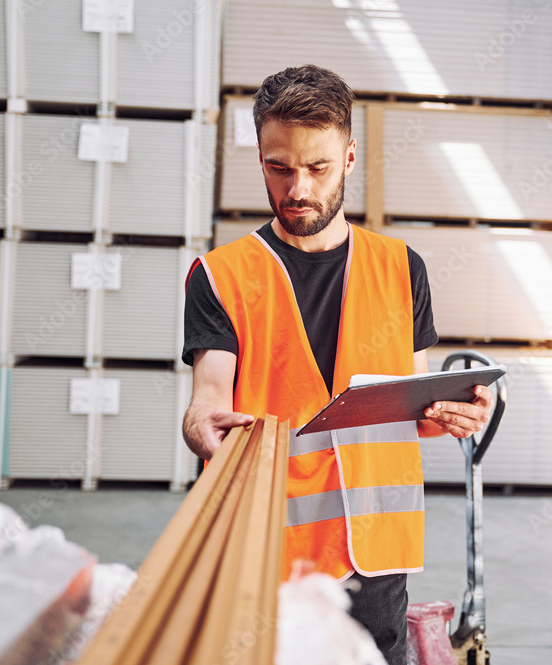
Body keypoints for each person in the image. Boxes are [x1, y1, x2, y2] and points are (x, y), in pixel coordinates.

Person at [181, 64, 494, 665]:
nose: (297, 187)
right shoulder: (221, 276)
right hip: (264, 551)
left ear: (349, 159)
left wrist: (450, 413)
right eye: (279, 167)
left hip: (375, 555)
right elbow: (209, 393)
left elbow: (409, 403)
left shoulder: (403, 269)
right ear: (261, 159)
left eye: (317, 168)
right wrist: (200, 421)